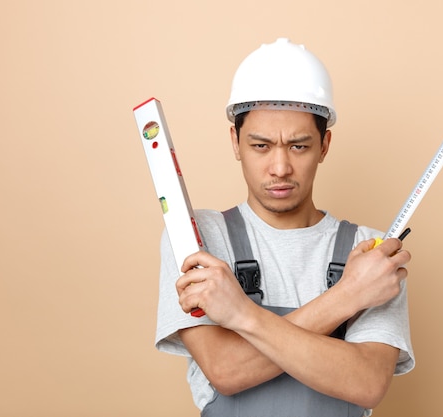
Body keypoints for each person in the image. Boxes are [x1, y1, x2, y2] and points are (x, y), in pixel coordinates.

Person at [155, 38, 414, 417]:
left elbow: (367, 384)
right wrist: (348, 296)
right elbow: (225, 369)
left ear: (324, 145)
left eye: (298, 146)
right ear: (236, 142)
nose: (279, 168)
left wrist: (240, 315)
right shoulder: (198, 237)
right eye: (260, 146)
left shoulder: (371, 252)